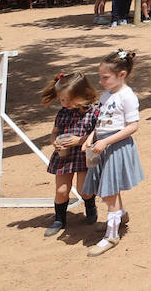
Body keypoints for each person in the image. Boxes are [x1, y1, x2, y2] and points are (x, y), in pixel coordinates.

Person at [82, 50, 144, 256]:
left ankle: (112, 235)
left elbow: (133, 126)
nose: (101, 81)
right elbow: (99, 121)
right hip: (102, 146)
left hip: (116, 147)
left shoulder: (128, 96)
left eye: (105, 77)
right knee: (109, 188)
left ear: (122, 75)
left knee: (109, 190)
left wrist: (106, 141)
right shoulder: (106, 95)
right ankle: (119, 215)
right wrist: (91, 139)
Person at [41, 72, 100, 237]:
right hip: (64, 156)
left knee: (84, 189)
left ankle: (90, 206)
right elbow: (54, 132)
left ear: (81, 95)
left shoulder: (95, 112)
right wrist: (55, 141)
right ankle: (59, 219)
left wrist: (78, 140)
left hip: (85, 155)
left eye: (67, 99)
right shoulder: (63, 113)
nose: (64, 103)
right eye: (61, 100)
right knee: (61, 190)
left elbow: (98, 135)